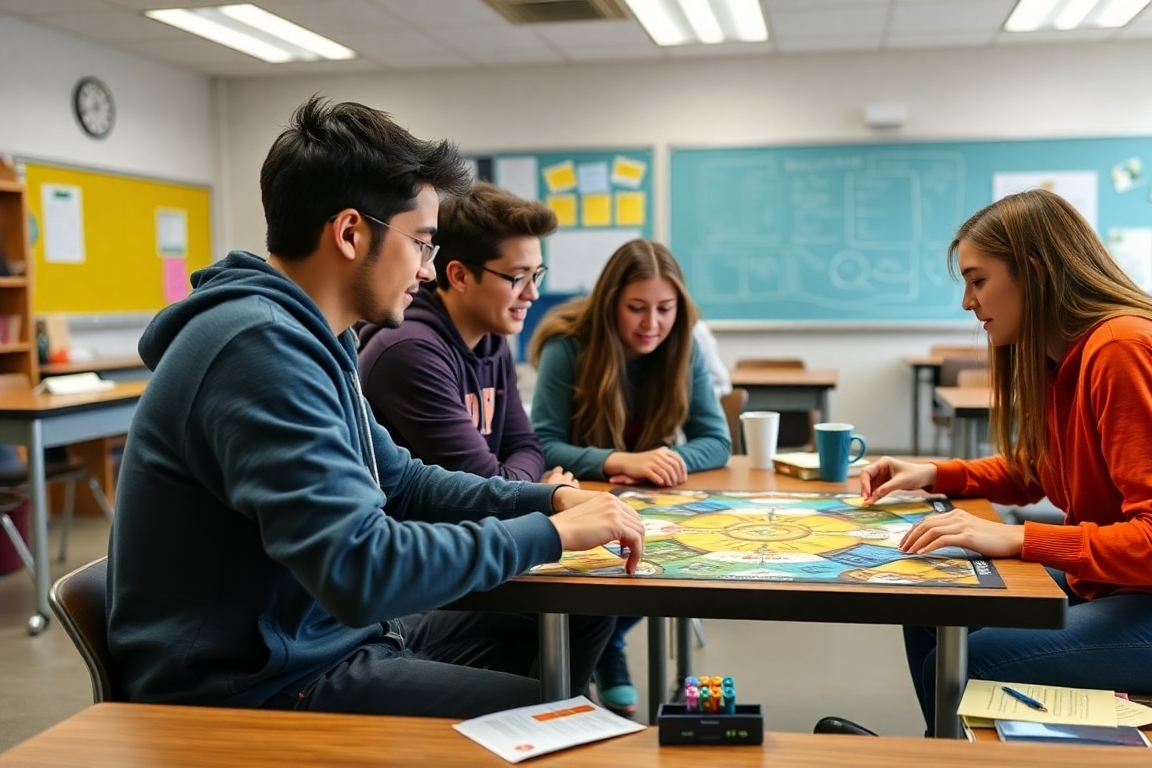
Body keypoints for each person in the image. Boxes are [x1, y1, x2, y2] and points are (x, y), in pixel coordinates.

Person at [107, 96, 645, 719]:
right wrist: (549, 535)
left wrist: (549, 501)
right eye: (421, 244)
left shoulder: (314, 337)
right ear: (349, 233)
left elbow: (404, 483)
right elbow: (360, 569)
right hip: (252, 686)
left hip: (323, 640)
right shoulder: (259, 349)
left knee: (578, 619)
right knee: (556, 717)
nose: (427, 271)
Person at [859, 189, 1152, 736]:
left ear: (1034, 273)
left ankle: (947, 753)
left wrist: (1019, 538)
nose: (967, 302)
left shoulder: (1125, 350)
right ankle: (946, 750)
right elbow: (1043, 470)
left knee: (969, 662)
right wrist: (937, 474)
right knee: (933, 603)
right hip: (1132, 587)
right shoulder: (1072, 356)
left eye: (978, 280)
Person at [529, 239, 731, 716]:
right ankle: (604, 647)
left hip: (648, 498)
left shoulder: (684, 345)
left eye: (665, 308)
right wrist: (621, 461)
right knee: (614, 561)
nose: (652, 323)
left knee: (675, 554)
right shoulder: (567, 346)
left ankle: (608, 643)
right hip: (579, 499)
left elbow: (717, 441)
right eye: (636, 308)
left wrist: (665, 460)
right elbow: (543, 444)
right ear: (610, 303)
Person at [358, 180, 574, 485]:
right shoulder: (408, 351)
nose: (532, 294)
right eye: (517, 277)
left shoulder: (491, 338)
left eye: (536, 275)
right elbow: (486, 485)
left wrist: (521, 486)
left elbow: (527, 446)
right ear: (459, 276)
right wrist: (541, 492)